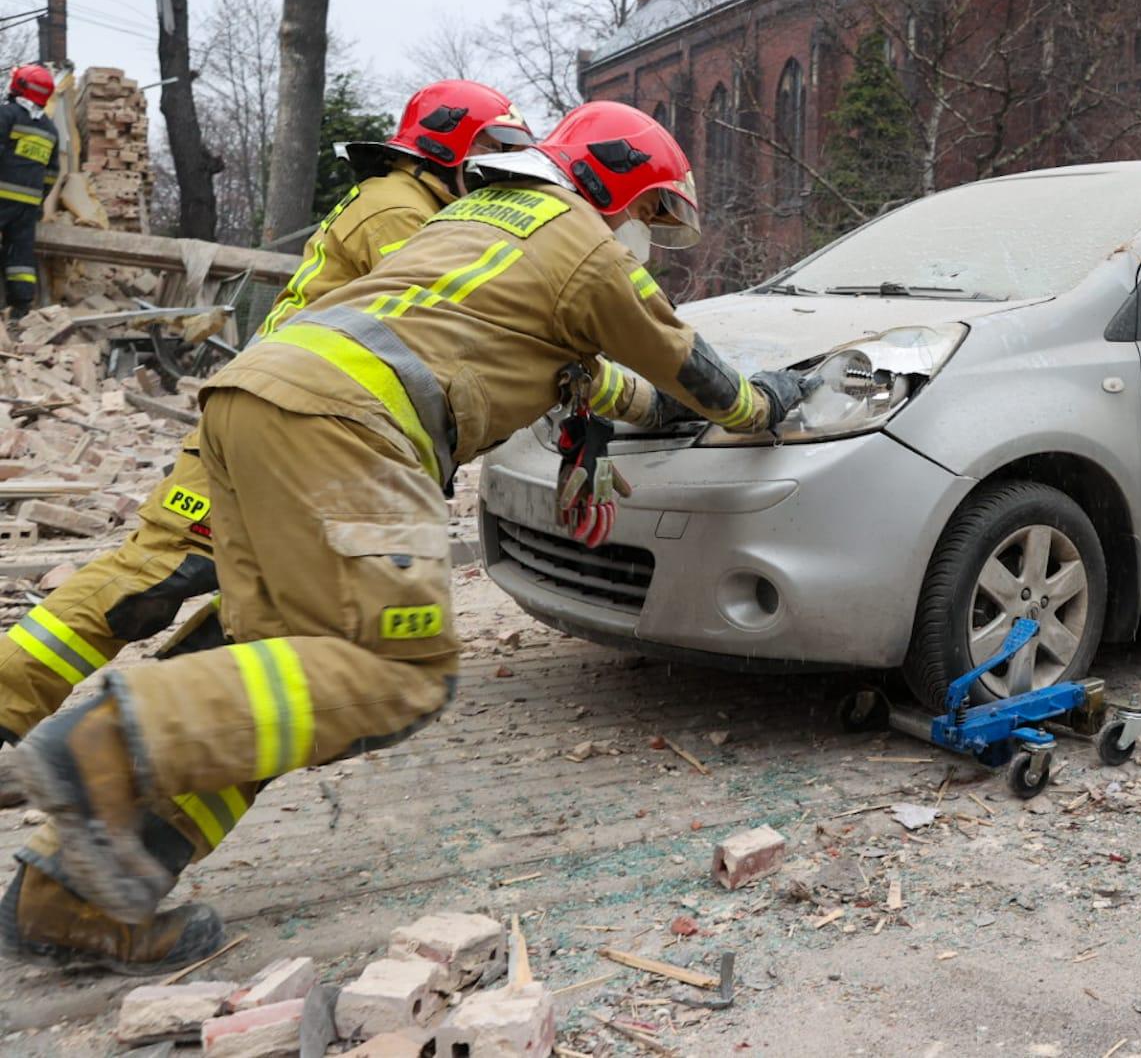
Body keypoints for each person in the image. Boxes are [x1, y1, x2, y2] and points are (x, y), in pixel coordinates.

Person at [10, 103, 808, 970]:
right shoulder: (582, 244)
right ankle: (103, 749)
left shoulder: (472, 222)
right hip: (351, 426)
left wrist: (637, 418)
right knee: (396, 674)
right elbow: (689, 366)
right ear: (611, 181)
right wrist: (769, 403)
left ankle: (75, 898)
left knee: (283, 678)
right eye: (643, 212)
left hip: (256, 404)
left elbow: (604, 379)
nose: (638, 235)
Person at [0, 79, 544, 970]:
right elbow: (467, 322)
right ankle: (54, 760)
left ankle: (75, 886)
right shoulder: (398, 211)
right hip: (266, 456)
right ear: (456, 154)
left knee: (259, 677)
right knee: (132, 593)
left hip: (287, 454)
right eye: (491, 164)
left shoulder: (403, 210)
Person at [0, 65, 58, 320]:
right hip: (29, 203)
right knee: (20, 253)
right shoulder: (50, 130)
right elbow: (52, 172)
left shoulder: (6, 115)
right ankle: (21, 306)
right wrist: (38, 199)